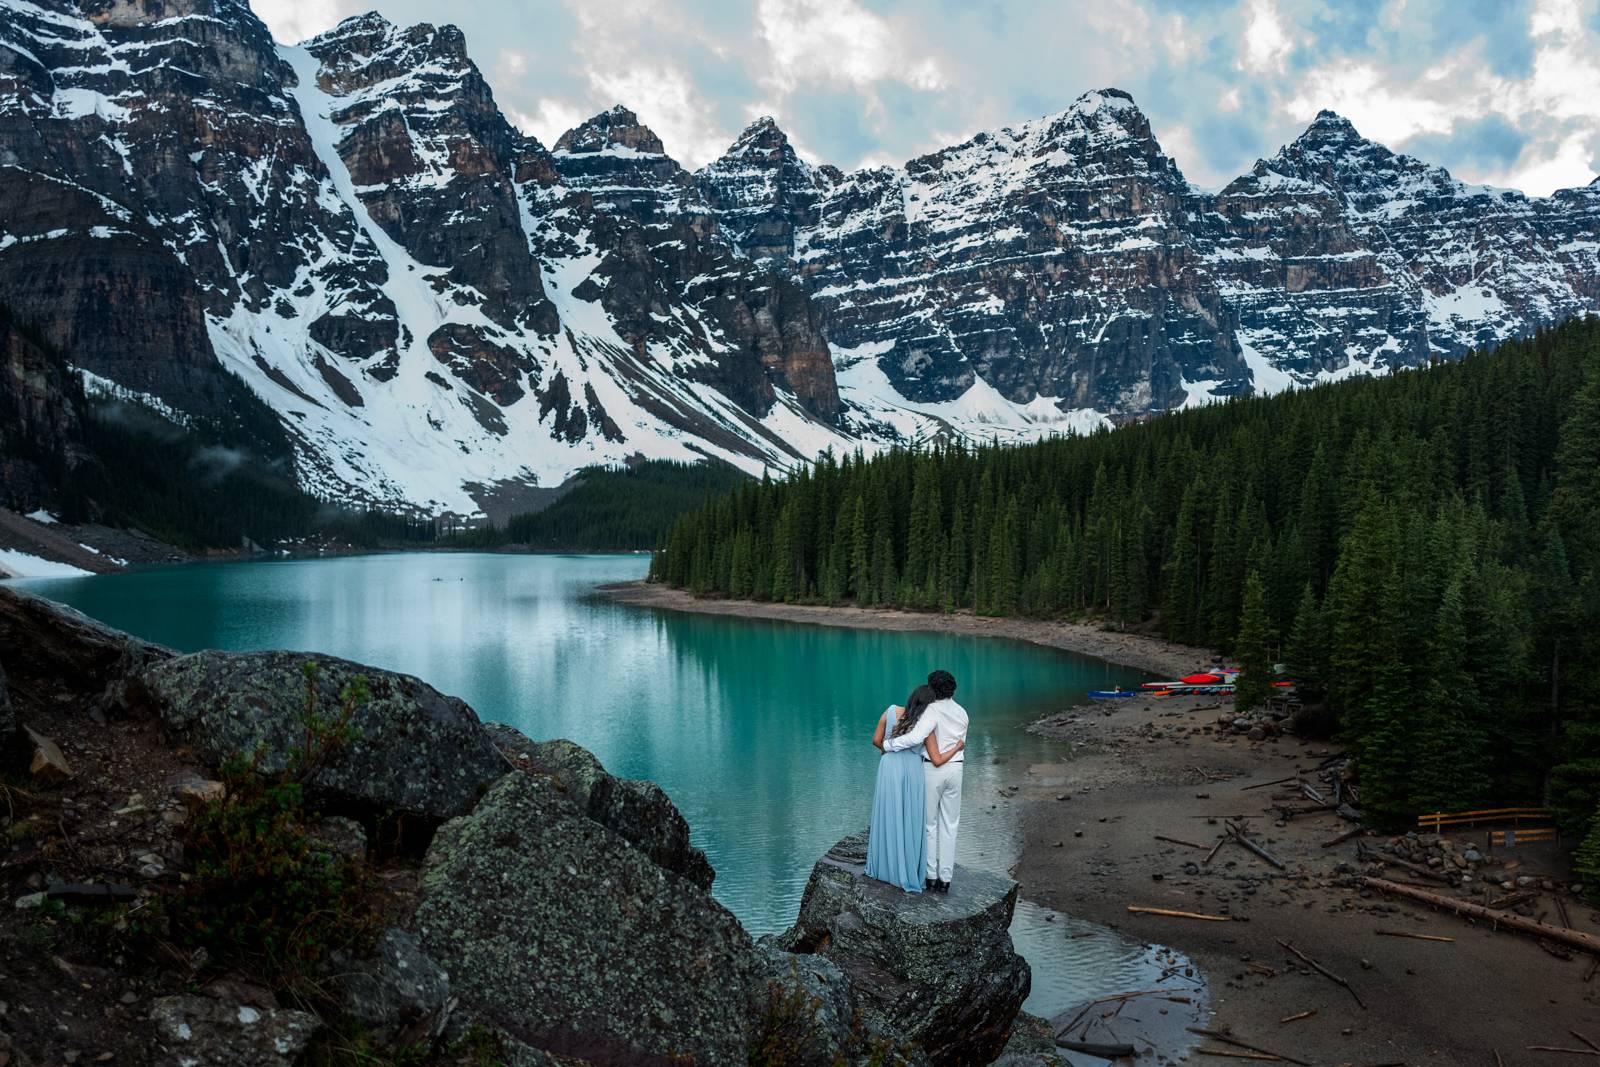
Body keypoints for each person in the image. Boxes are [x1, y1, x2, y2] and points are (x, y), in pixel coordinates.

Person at [865, 683, 965, 892]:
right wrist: (957, 747)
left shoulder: (890, 710)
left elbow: (876, 740)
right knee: (909, 819)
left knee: (887, 815)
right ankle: (907, 869)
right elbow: (936, 758)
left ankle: (882, 867)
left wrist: (887, 753)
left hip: (888, 768)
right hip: (911, 771)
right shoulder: (924, 725)